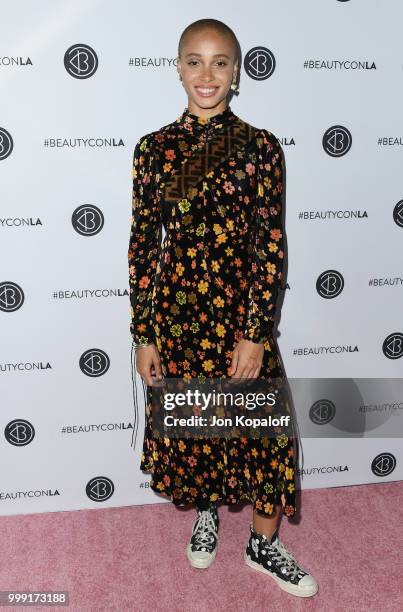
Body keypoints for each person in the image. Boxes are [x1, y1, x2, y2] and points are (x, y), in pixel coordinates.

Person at [128, 18, 318, 598]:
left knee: (267, 437)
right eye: (194, 60)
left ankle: (263, 545)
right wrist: (145, 334)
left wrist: (256, 333)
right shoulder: (154, 151)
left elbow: (270, 247)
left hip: (241, 320)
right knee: (199, 432)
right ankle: (205, 510)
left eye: (219, 62)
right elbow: (143, 247)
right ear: (178, 67)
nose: (206, 74)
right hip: (180, 320)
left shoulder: (260, 148)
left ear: (237, 74)